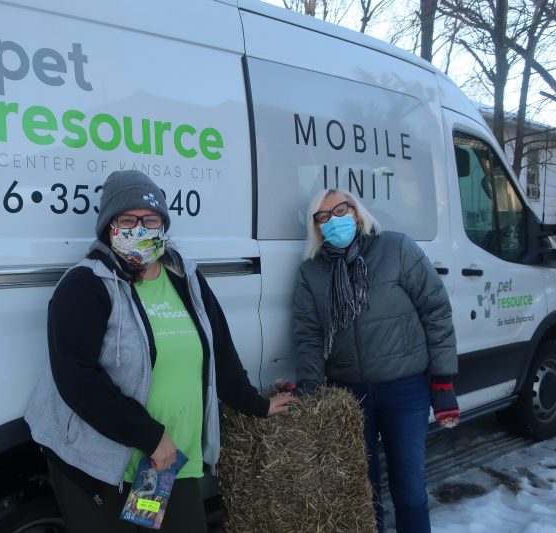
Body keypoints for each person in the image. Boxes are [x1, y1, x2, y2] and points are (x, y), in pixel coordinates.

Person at [25, 170, 296, 533]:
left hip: (162, 466)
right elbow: (75, 377)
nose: (140, 228)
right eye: (128, 220)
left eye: (150, 220)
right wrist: (150, 437)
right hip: (101, 466)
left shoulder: (185, 277)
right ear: (109, 226)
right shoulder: (84, 284)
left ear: (163, 225)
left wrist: (256, 404)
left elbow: (219, 351)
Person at [292, 188, 460, 533]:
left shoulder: (397, 248)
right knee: (361, 491)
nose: (333, 220)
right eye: (323, 217)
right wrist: (311, 390)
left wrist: (442, 383)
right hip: (350, 395)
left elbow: (436, 312)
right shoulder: (312, 271)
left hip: (405, 388)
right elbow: (309, 334)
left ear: (357, 212)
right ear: (317, 227)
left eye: (341, 210)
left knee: (409, 487)